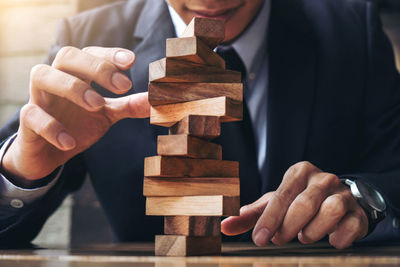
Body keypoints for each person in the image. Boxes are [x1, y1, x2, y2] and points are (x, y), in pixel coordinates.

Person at [0, 0, 399, 248]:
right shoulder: (87, 38)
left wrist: (364, 198)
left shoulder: (353, 28)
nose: (210, 1)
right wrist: (22, 172)